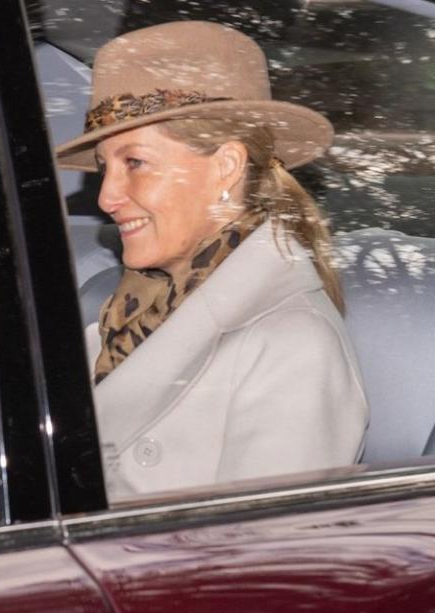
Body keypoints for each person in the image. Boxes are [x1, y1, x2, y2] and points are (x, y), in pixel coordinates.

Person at [54, 21, 368, 500]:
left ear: (225, 167)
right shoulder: (123, 318)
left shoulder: (293, 347)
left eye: (134, 163)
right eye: (104, 169)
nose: (107, 197)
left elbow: (263, 560)